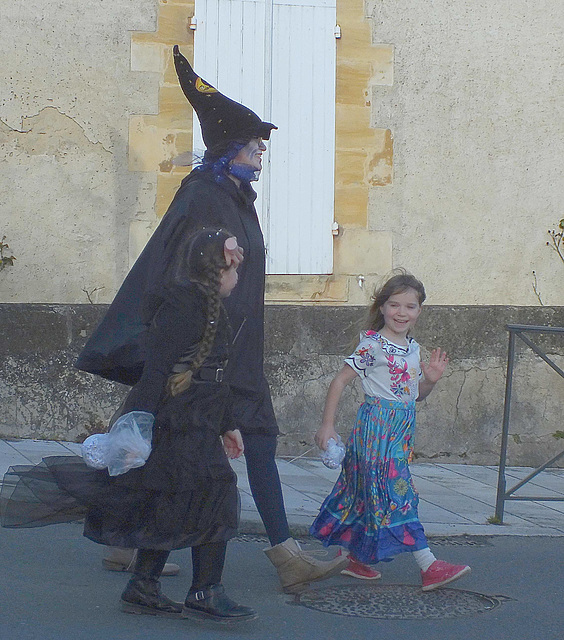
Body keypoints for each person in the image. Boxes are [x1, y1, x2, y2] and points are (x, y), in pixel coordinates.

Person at [74, 45, 346, 592]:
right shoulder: (206, 195)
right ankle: (215, 569)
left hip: (236, 349)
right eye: (254, 147)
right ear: (229, 152)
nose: (261, 154)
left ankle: (154, 560)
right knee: (201, 464)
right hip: (209, 353)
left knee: (239, 446)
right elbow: (189, 263)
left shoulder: (235, 196)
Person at [1, 228, 260, 623]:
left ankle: (144, 586)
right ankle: (205, 591)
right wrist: (134, 427)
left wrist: (227, 424)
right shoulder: (181, 307)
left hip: (199, 424)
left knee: (168, 501)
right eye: (234, 268)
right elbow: (154, 374)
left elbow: (214, 376)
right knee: (217, 496)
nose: (238, 277)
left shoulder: (211, 309)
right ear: (216, 270)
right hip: (175, 425)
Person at [310, 272, 471, 591]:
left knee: (366, 492)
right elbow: (341, 380)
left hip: (400, 432)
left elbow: (414, 394)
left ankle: (354, 558)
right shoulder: (372, 345)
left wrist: (431, 380)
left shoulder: (413, 348)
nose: (401, 312)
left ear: (419, 311)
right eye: (394, 304)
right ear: (382, 307)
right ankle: (429, 566)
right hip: (376, 431)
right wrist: (327, 425)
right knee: (399, 494)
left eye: (410, 306)